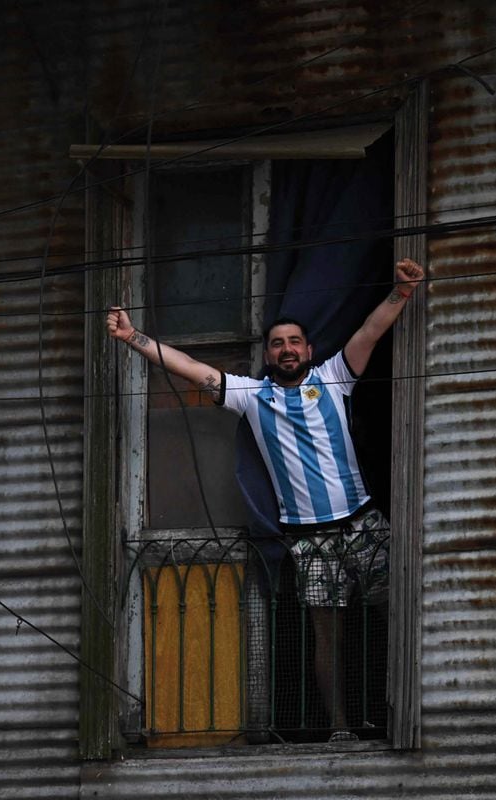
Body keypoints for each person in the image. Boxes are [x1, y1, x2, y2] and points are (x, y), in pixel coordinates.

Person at [106, 256, 425, 741]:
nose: (287, 348)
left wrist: (401, 291)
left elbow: (369, 331)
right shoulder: (251, 395)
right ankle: (340, 727)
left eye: (295, 341)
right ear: (270, 355)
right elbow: (192, 368)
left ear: (310, 349)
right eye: (278, 343)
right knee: (327, 636)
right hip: (309, 538)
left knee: (392, 616)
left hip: (363, 523)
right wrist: (134, 338)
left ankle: (399, 715)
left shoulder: (335, 376)